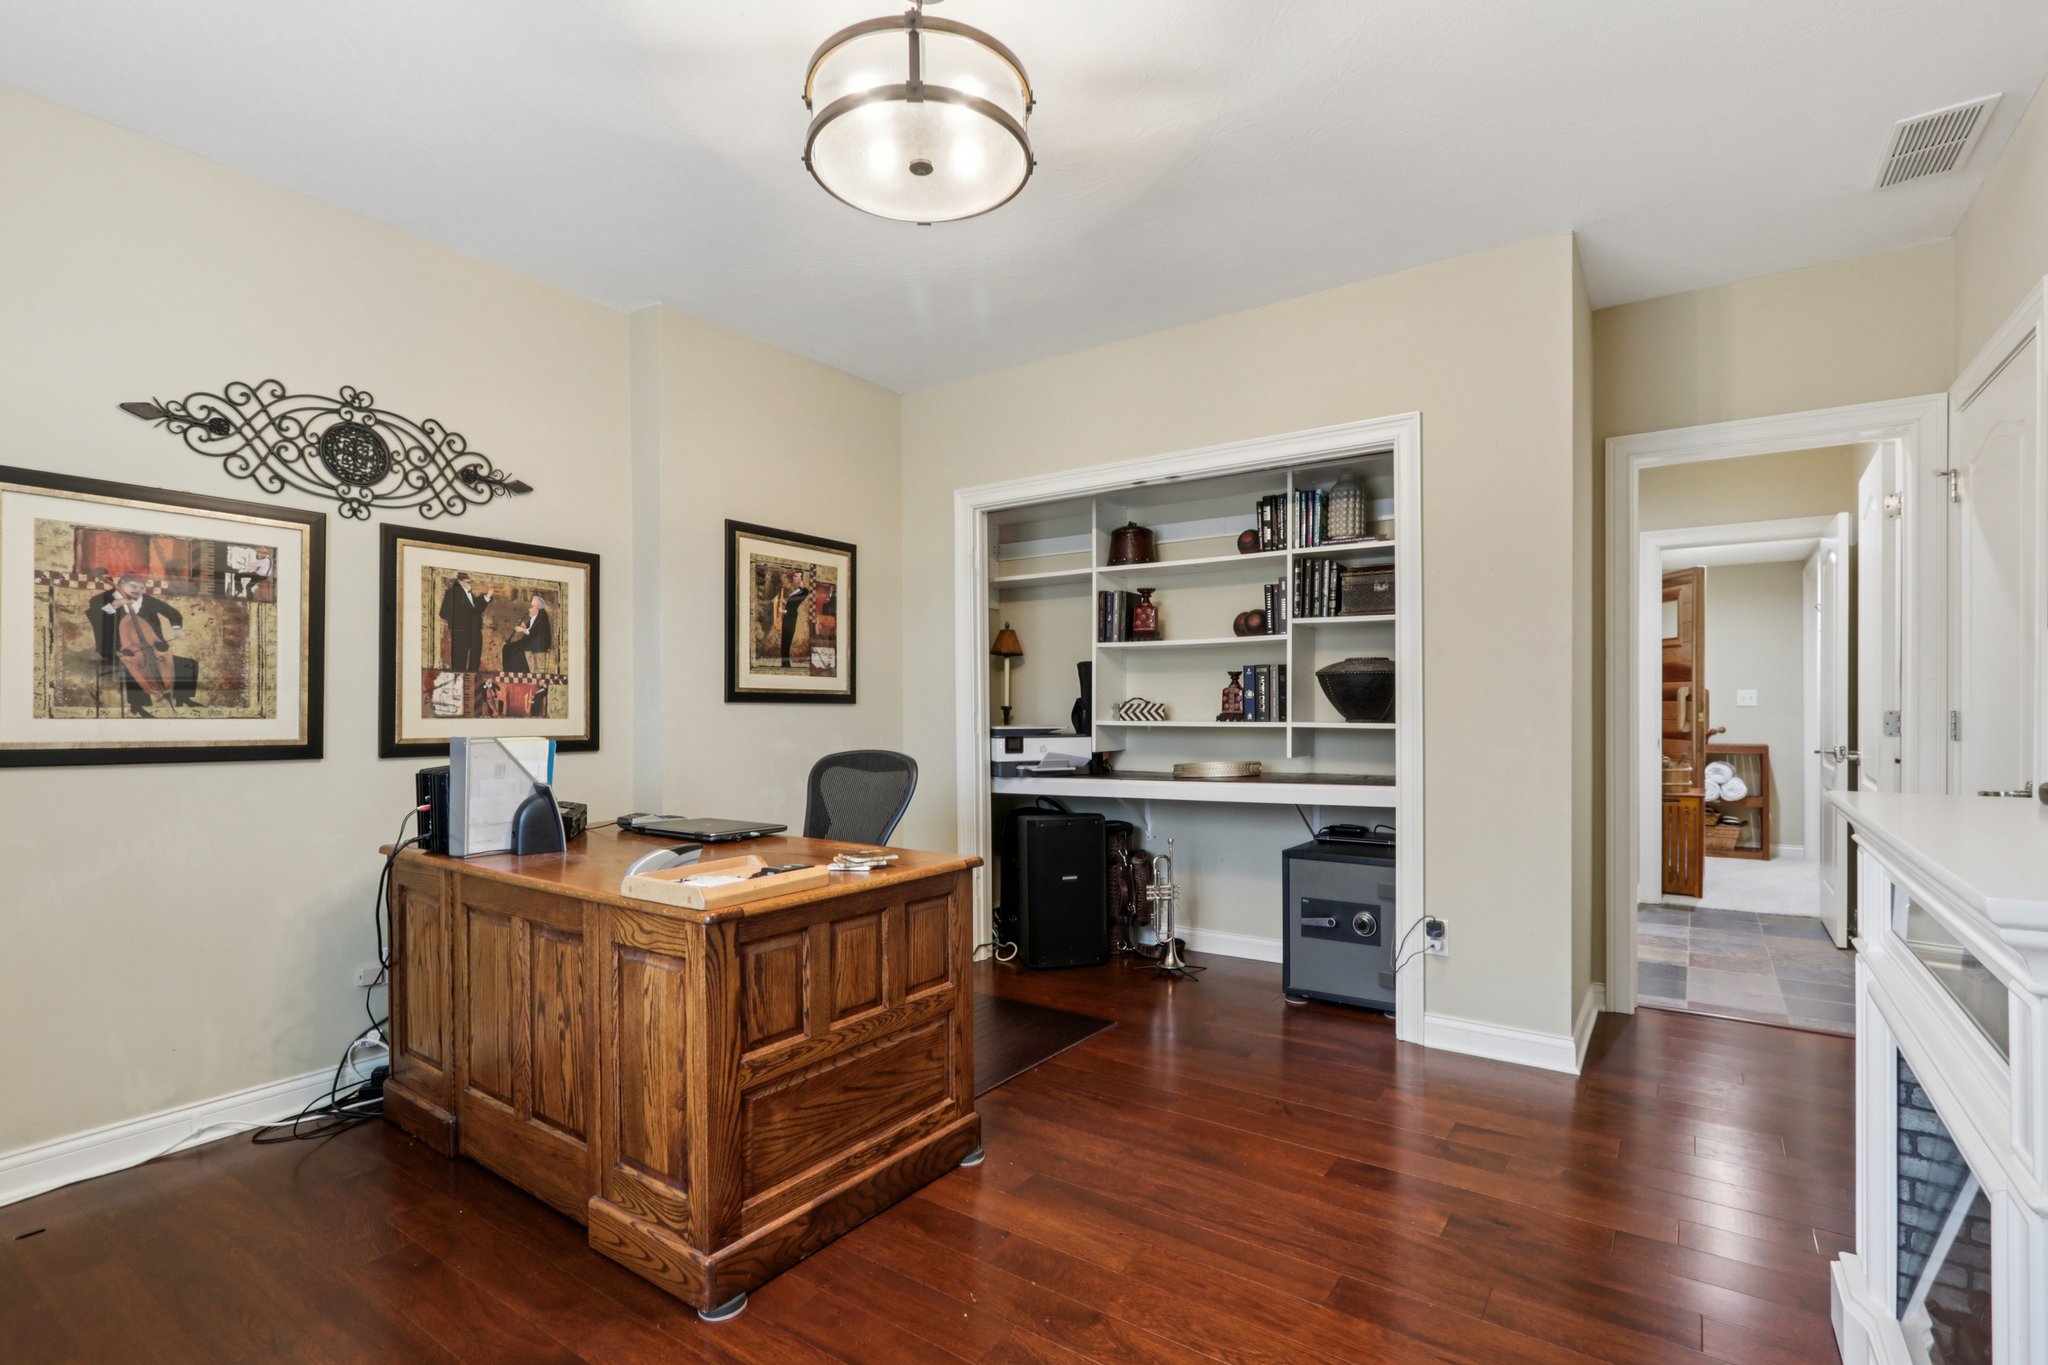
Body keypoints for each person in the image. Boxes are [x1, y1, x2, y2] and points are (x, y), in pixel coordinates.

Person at [87, 572, 195, 716]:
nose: (138, 589)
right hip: (119, 648)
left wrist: (177, 629)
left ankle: (183, 698)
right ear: (120, 585)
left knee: (186, 663)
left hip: (151, 648)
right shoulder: (102, 599)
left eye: (142, 587)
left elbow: (172, 613)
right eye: (133, 586)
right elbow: (95, 617)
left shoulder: (147, 600)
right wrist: (113, 606)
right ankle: (137, 706)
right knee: (132, 668)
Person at [438, 571, 491, 672]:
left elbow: (476, 608)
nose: (470, 584)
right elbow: (443, 612)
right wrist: (458, 621)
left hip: (474, 629)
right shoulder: (452, 592)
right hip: (461, 630)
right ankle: (459, 681)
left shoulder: (469, 593)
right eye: (468, 582)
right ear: (460, 582)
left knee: (475, 656)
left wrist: (488, 595)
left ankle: (472, 679)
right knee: (459, 659)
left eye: (470, 582)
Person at [500, 593, 552, 673]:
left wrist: (524, 630)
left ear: (538, 608)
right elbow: (529, 630)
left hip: (538, 644)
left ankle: (524, 673)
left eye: (532, 606)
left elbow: (536, 633)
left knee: (518, 651)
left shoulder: (542, 617)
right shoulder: (534, 616)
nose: (529, 609)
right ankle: (508, 672)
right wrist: (524, 627)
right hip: (529, 642)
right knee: (507, 647)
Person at [779, 569, 812, 668]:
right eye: (794, 576)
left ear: (800, 577)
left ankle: (785, 664)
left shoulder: (804, 591)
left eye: (795, 576)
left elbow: (793, 608)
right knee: (784, 640)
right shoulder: (797, 590)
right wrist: (785, 602)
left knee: (787, 640)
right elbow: (791, 603)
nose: (793, 578)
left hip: (791, 617)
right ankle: (785, 663)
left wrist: (783, 611)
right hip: (788, 617)